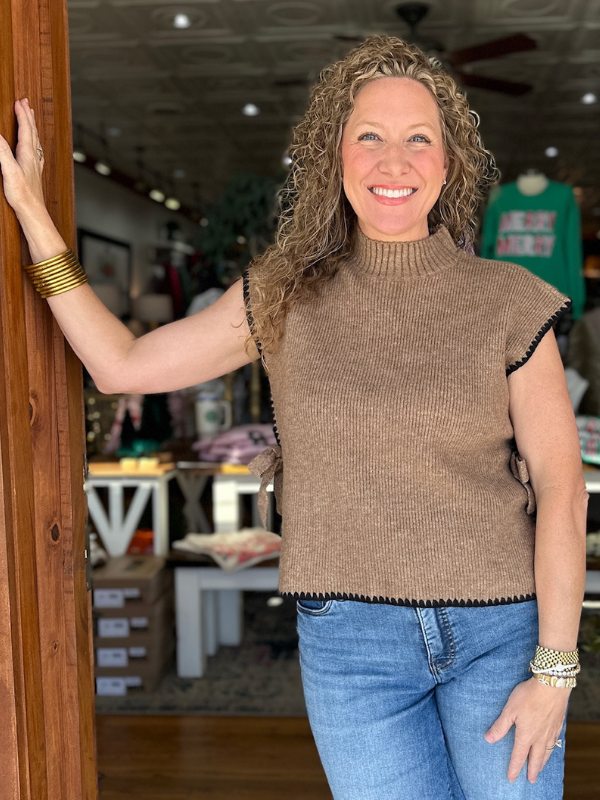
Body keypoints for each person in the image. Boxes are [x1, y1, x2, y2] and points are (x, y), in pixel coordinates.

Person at [0, 34, 587, 800]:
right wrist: (35, 216)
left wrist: (556, 670)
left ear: (450, 163)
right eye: (368, 137)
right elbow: (122, 366)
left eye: (419, 139)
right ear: (334, 157)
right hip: (352, 648)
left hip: (500, 636)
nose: (393, 161)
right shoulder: (283, 296)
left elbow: (562, 489)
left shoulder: (512, 301)